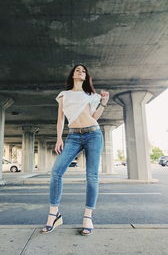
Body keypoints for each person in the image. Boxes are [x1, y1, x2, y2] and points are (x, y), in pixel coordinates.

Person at [41, 64, 109, 236]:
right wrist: (58, 138)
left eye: (84, 71)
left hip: (93, 134)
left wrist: (104, 103)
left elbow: (94, 118)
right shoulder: (64, 95)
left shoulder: (91, 95)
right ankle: (53, 215)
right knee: (56, 172)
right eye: (78, 70)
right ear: (72, 74)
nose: (81, 72)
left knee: (92, 176)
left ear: (86, 76)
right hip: (73, 136)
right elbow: (60, 119)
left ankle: (87, 217)